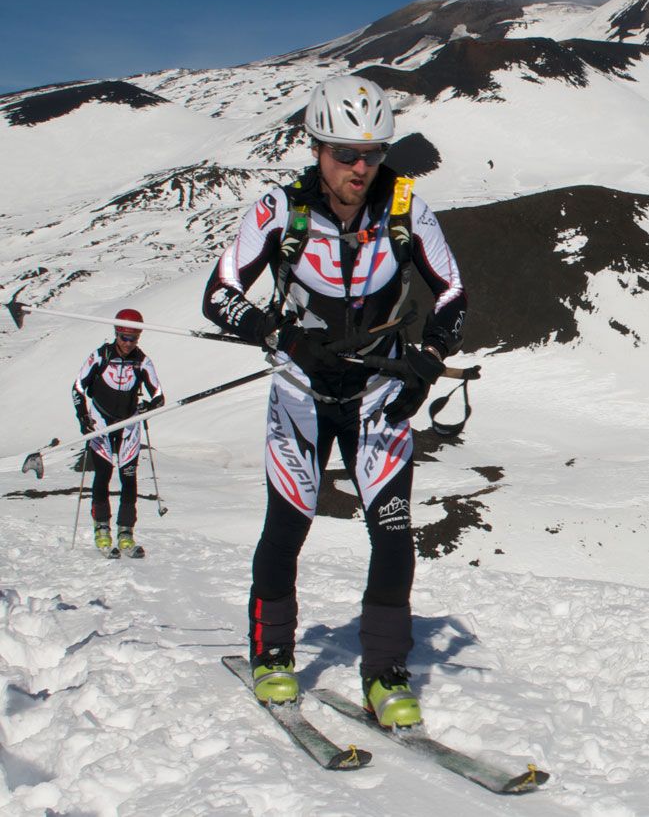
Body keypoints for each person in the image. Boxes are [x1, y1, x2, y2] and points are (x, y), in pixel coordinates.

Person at [201, 74, 467, 728]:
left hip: (377, 393)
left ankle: (384, 674)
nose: (360, 167)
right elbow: (219, 292)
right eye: (346, 152)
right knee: (289, 526)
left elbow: (454, 294)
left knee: (396, 534)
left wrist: (426, 362)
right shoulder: (279, 210)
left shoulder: (406, 208)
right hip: (300, 393)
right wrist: (278, 334)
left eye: (374, 153)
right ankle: (272, 656)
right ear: (317, 147)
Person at [71, 308, 165, 554]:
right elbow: (78, 387)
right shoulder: (100, 356)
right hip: (101, 422)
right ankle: (101, 528)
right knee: (103, 475)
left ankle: (126, 532)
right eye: (124, 338)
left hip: (129, 424)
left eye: (133, 338)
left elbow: (158, 394)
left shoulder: (142, 360)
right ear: (116, 334)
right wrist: (83, 417)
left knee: (129, 478)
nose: (128, 343)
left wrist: (150, 404)